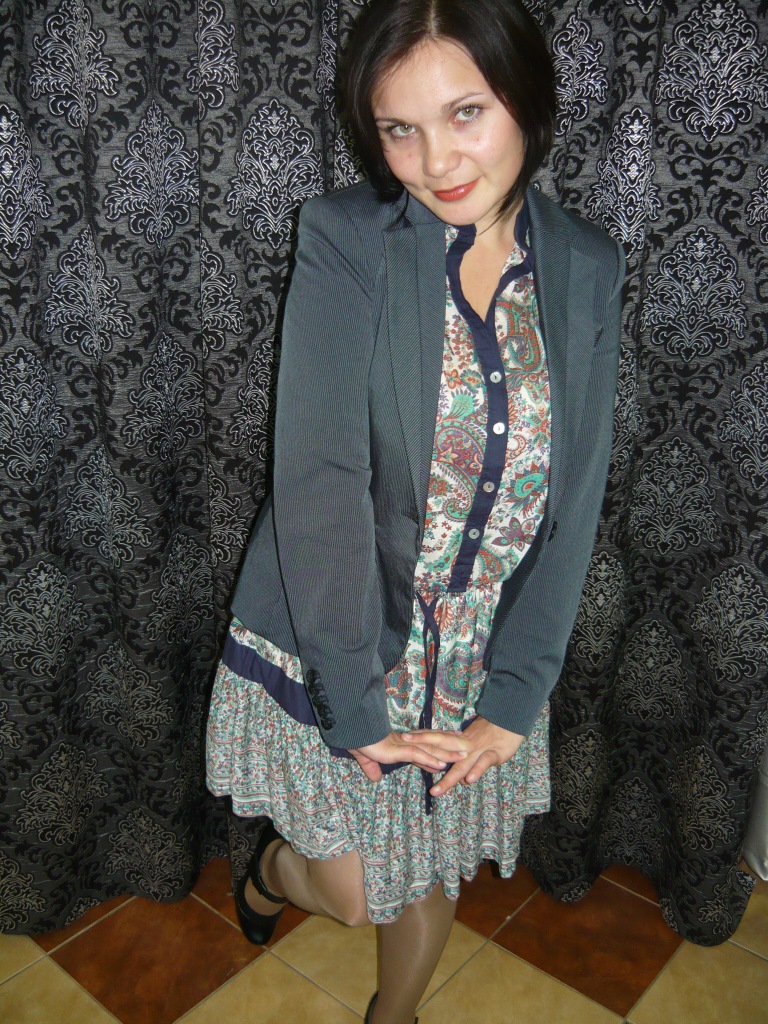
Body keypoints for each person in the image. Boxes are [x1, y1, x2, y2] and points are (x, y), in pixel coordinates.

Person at [206, 1, 625, 1021]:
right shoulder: (349, 239)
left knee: (431, 862)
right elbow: (318, 482)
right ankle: (272, 876)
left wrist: (516, 692)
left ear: (525, 97)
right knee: (354, 891)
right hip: (341, 618)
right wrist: (357, 704)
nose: (435, 160)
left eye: (465, 112)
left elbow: (573, 499)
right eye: (400, 128)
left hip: (477, 643)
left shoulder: (588, 265)